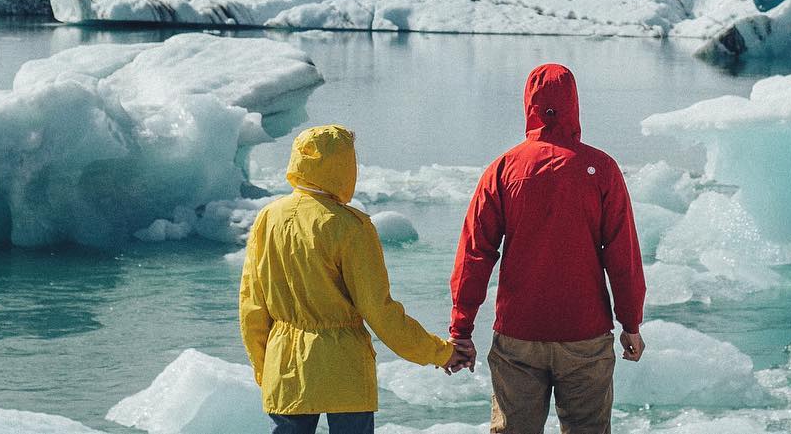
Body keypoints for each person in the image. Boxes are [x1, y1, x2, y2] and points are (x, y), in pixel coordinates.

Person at [449, 63, 646, 434]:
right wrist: (630, 324)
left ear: (530, 104)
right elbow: (623, 258)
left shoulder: (503, 168)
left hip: (518, 334)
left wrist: (462, 329)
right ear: (574, 103)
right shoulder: (601, 168)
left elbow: (475, 254)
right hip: (585, 333)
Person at [240, 123, 473, 434]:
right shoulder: (351, 226)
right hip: (345, 370)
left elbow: (252, 308)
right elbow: (379, 311)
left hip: (286, 368)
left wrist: (265, 369)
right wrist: (440, 352)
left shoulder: (267, 219)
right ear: (343, 165)